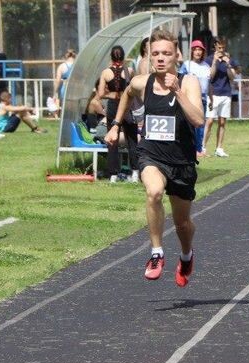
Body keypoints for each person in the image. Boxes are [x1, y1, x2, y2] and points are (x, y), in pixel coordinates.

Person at [105, 29, 204, 288]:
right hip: (151, 154)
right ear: (149, 56)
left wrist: (178, 92)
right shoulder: (141, 82)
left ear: (176, 56)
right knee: (154, 192)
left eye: (166, 54)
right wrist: (115, 125)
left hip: (181, 162)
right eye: (155, 53)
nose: (160, 58)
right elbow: (126, 94)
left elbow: (198, 120)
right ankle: (156, 253)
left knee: (183, 224)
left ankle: (186, 255)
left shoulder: (189, 81)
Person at [98, 45, 138, 181]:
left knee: (112, 141)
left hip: (113, 108)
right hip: (127, 107)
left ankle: (113, 175)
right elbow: (135, 90)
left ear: (111, 57)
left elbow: (101, 93)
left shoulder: (105, 73)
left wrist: (113, 95)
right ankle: (135, 173)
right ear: (123, 56)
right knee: (132, 139)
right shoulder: (130, 70)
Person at [204, 37, 239, 157]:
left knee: (222, 122)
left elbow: (232, 77)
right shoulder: (208, 59)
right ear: (215, 47)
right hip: (213, 94)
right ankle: (203, 147)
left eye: (223, 48)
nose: (221, 50)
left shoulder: (228, 60)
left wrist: (228, 64)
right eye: (219, 48)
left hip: (226, 93)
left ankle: (219, 148)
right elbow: (211, 76)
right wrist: (215, 61)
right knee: (209, 121)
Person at [183, 40, 211, 157]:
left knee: (200, 125)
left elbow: (209, 84)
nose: (198, 52)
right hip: (190, 98)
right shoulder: (187, 65)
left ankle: (199, 149)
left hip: (203, 98)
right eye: (196, 49)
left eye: (200, 50)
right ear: (192, 51)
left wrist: (211, 99)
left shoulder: (206, 66)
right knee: (189, 124)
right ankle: (189, 147)